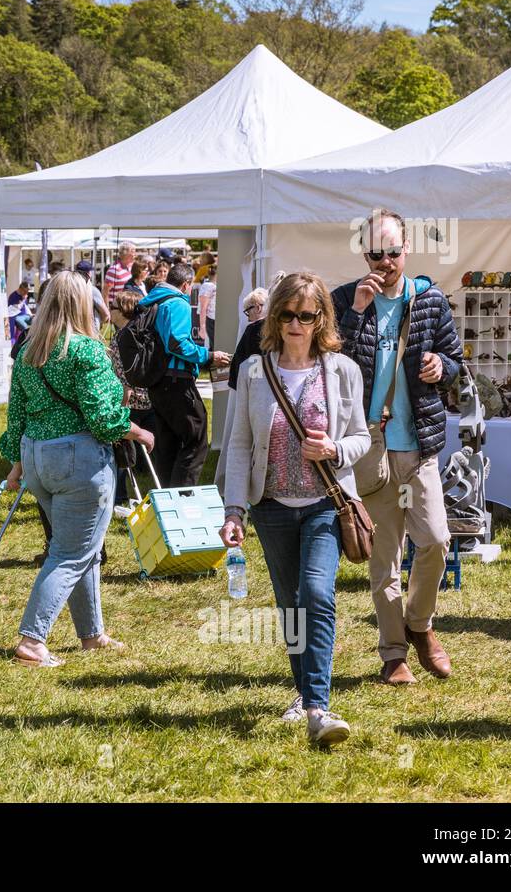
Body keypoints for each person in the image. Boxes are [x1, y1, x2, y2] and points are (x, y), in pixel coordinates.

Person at [220, 273, 370, 746]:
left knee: (317, 595)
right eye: (286, 315)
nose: (295, 324)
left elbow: (363, 437)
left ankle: (318, 708)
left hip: (328, 503)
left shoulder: (343, 370)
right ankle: (305, 692)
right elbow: (239, 445)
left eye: (306, 316)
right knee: (291, 607)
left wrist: (334, 450)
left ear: (321, 318)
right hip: (271, 507)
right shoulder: (253, 372)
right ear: (274, 318)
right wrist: (234, 510)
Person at [332, 208, 462, 685]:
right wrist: (357, 312)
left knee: (435, 542)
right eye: (375, 252)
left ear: (407, 249)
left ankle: (420, 625)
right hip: (370, 444)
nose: (384, 261)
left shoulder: (429, 299)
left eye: (392, 251)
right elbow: (329, 365)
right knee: (384, 554)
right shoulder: (345, 299)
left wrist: (440, 368)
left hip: (420, 440)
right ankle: (393, 654)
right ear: (364, 252)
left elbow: (455, 360)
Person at [1, 270, 154, 667]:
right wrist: (138, 431)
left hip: (37, 458)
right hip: (78, 460)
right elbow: (105, 419)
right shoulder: (86, 351)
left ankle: (91, 634)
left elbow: (15, 416)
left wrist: (16, 464)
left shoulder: (28, 350)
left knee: (80, 549)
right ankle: (32, 641)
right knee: (71, 553)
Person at [138, 262, 231, 487]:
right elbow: (177, 343)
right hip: (176, 379)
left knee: (167, 442)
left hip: (157, 380)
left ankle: (166, 497)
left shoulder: (152, 300)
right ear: (187, 285)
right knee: (196, 439)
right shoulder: (177, 303)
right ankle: (181, 496)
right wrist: (208, 356)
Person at [109, 289, 154, 513]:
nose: (109, 311)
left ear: (124, 311)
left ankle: (119, 496)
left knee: (122, 450)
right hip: (148, 399)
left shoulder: (121, 337)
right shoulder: (146, 333)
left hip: (129, 400)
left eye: (113, 307)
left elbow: (120, 372)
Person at [72, 260, 110, 334]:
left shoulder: (71, 288)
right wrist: (101, 321)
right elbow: (105, 313)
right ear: (89, 273)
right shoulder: (92, 290)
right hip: (91, 329)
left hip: (74, 327)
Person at [197, 263, 218, 349]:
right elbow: (203, 308)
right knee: (212, 347)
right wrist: (202, 327)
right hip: (210, 321)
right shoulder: (207, 286)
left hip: (214, 320)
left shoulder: (212, 285)